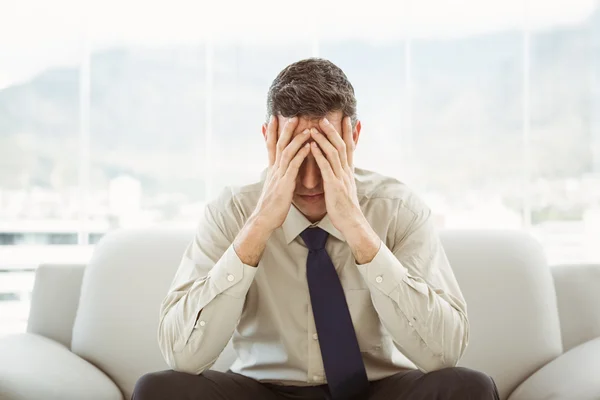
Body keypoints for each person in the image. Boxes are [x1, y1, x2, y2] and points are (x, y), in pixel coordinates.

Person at [132, 58, 500, 400]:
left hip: (376, 389)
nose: (309, 182)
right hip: (265, 389)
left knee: (469, 387)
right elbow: (182, 356)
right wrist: (258, 228)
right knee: (158, 390)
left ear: (353, 137)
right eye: (295, 155)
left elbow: (444, 352)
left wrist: (357, 228)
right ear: (269, 139)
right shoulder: (231, 212)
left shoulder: (398, 208)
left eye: (324, 155)